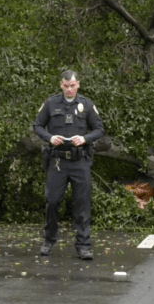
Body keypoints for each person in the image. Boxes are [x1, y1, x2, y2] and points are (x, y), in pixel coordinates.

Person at [33, 70, 104, 259]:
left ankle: (83, 245)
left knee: (82, 204)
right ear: (61, 85)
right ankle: (49, 240)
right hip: (57, 161)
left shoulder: (87, 105)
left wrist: (85, 138)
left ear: (78, 84)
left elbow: (99, 129)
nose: (69, 89)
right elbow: (37, 126)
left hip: (80, 161)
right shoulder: (51, 103)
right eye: (66, 86)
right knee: (53, 201)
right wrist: (49, 138)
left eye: (73, 85)